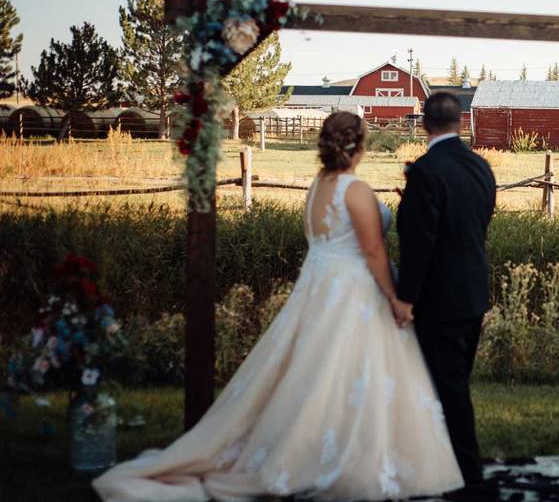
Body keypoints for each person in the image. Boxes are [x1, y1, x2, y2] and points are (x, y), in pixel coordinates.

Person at [93, 112, 464, 501]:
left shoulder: (319, 184)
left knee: (318, 370)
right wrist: (395, 299)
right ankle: (348, 457)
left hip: (318, 284)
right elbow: (372, 251)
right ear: (360, 145)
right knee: (350, 369)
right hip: (352, 289)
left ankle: (322, 444)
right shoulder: (354, 189)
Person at [394, 92, 497, 489]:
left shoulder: (425, 171)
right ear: (462, 122)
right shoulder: (481, 167)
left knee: (448, 390)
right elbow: (473, 224)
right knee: (454, 382)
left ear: (424, 123)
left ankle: (467, 478)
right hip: (473, 291)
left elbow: (421, 243)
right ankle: (439, 463)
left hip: (440, 299)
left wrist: (405, 297)